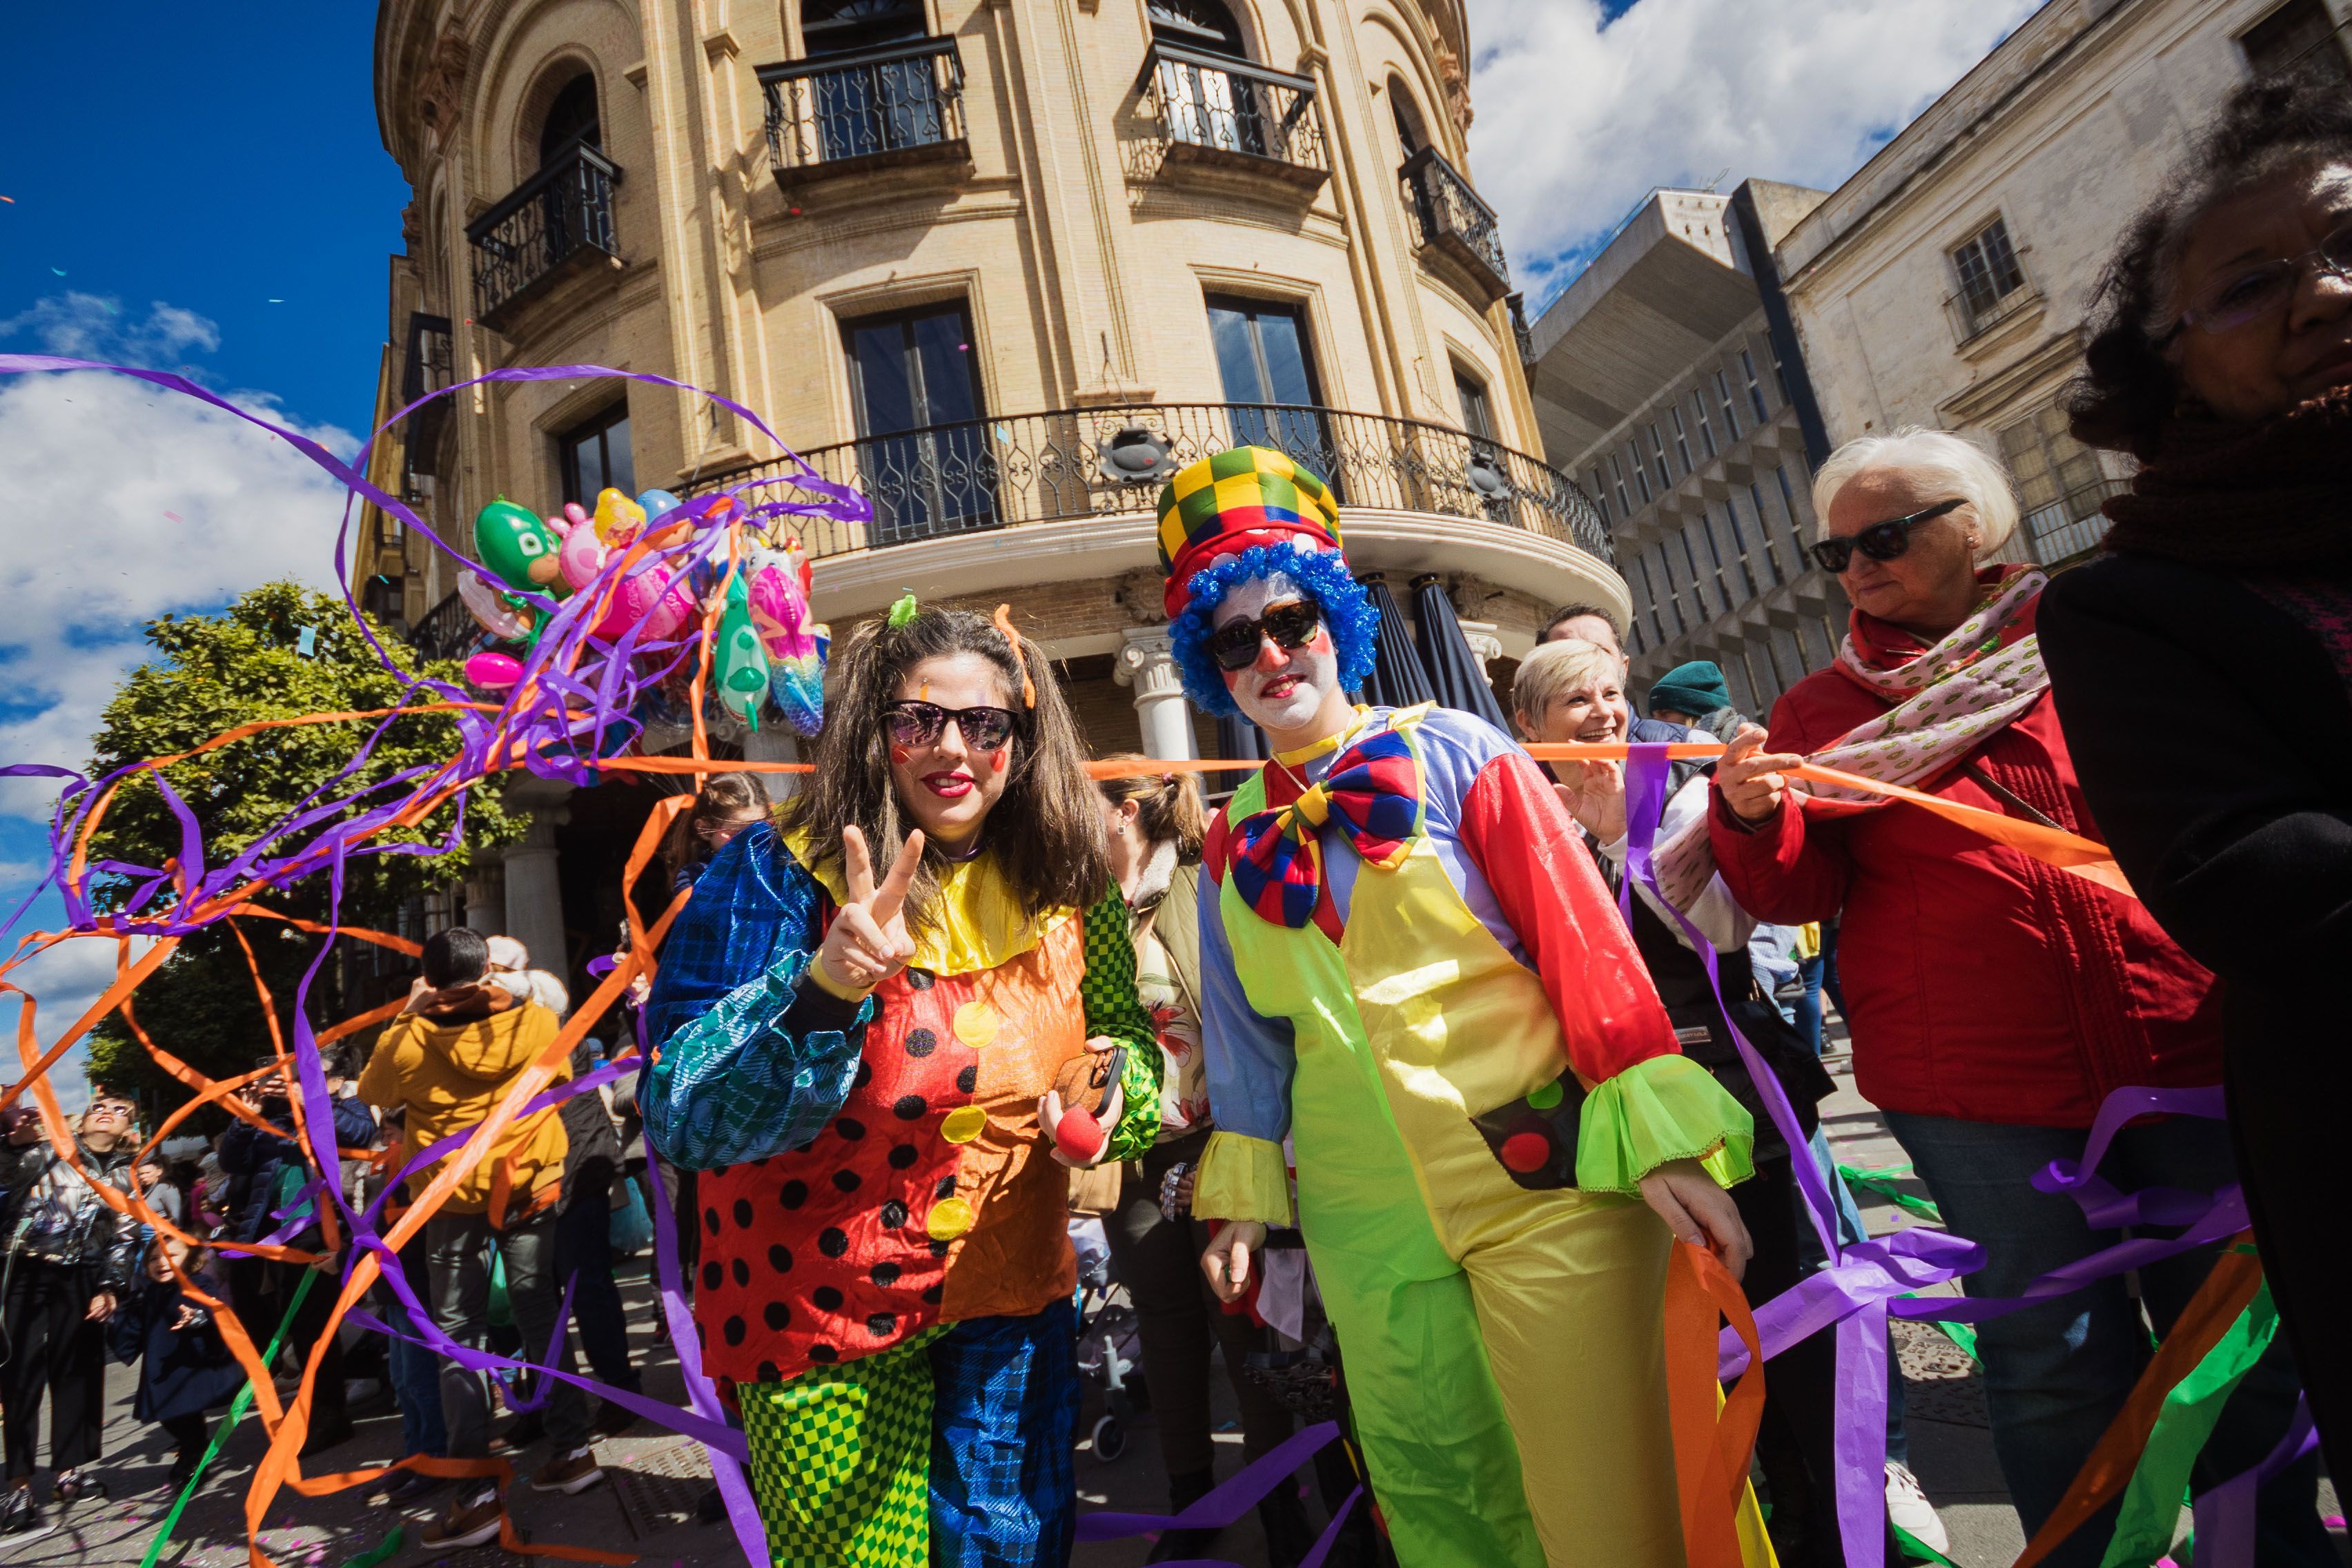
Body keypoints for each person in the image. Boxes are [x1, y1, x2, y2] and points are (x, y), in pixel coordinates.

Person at [1697, 427, 2331, 1567]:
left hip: (2185, 1042)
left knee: (2232, 1345)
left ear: (1974, 525)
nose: (1855, 569)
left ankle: (2273, 1551)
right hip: (1975, 1091)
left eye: (1881, 538)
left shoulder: (2105, 637)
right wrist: (1746, 817)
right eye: (1831, 552)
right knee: (2050, 1360)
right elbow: (1794, 888)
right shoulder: (1819, 707)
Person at [1162, 448, 1756, 1568]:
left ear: (1335, 618)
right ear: (1210, 665)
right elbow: (1243, 1040)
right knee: (1439, 1502)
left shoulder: (1454, 749)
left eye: (1289, 618)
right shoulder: (1228, 834)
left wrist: (1661, 1140)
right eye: (1235, 638)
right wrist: (1241, 1200)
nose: (1271, 654)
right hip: (1358, 1214)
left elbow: (1587, 946)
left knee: (1611, 1503)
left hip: (1540, 1173)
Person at [642, 603, 1163, 1568]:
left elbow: (1120, 1034)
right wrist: (825, 988)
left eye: (985, 724)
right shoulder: (773, 875)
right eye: (917, 721)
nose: (951, 749)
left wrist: (1112, 1093)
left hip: (1009, 1300)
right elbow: (684, 1117)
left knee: (1010, 1550)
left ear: (1023, 739)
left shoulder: (1067, 878)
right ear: (874, 735)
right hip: (819, 1313)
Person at [2037, 72, 2352, 1491]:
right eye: (2256, 284)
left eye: (2349, 246)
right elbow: (2243, 871)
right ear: (2168, 367)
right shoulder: (2132, 606)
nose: (2329, 296)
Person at [1511, 637, 1850, 1566]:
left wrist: (1624, 834)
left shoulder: (1683, 797)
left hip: (1735, 1099)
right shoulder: (1523, 829)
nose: (1606, 714)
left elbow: (1727, 927)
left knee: (1781, 1329)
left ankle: (1822, 1533)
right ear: (1528, 729)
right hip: (1618, 1126)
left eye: (1613, 695)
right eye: (1576, 701)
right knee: (1673, 1354)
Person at [1093, 761, 1311, 1565]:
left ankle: (1280, 1504)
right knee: (1167, 1328)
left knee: (1240, 1325)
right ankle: (1193, 1507)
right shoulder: (1082, 906)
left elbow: (1243, 1007)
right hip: (1135, 1155)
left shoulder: (1193, 885)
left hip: (1223, 1140)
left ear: (1121, 812)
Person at [358, 927, 596, 1551]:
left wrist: (411, 1011)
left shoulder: (409, 1039)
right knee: (539, 1307)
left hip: (455, 1198)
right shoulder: (538, 1020)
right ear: (485, 975)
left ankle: (477, 1491)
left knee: (457, 1330)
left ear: (429, 980)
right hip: (530, 1184)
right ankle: (573, 1450)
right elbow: (563, 1072)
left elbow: (373, 1094)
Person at [217, 1052, 378, 1456]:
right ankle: (299, 1409)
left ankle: (330, 1415)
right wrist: (244, 1117)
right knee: (265, 1329)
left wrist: (307, 1100)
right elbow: (232, 1161)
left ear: (334, 1079)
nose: (278, 1082)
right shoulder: (266, 1117)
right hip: (263, 1236)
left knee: (313, 1330)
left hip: (321, 1234)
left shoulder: (346, 1105)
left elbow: (359, 1134)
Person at [0, 1092, 139, 1536]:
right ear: (80, 1122)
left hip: (81, 1278)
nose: (107, 1112)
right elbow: (6, 1178)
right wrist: (12, 1144)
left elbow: (126, 1235)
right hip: (24, 1270)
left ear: (126, 1133)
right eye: (101, 1106)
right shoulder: (48, 1150)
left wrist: (110, 1285)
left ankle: (69, 1473)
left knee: (78, 1374)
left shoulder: (123, 1176)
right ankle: (18, 1485)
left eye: (121, 1111)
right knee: (20, 1375)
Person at [109, 1235, 244, 1497]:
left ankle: (194, 1454)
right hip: (164, 1368)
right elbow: (134, 1330)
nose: (161, 1263)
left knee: (187, 1413)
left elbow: (214, 1312)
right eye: (153, 1258)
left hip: (191, 1364)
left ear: (192, 1260)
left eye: (172, 1256)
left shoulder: (199, 1284)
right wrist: (116, 1318)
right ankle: (191, 1445)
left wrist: (196, 1317)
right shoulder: (149, 1293)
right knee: (169, 1416)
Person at [1538, 604, 1694, 747]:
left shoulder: (1688, 749)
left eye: (1600, 652)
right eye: (1568, 658)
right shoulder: (1526, 769)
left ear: (1624, 668)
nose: (1586, 665)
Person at [662, 770, 771, 892]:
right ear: (704, 829)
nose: (750, 842)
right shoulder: (694, 876)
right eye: (736, 834)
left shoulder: (773, 864)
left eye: (760, 831)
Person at [1646, 658, 1747, 741]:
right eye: (1654, 717)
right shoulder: (1668, 756)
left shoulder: (1750, 743)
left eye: (1665, 714)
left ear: (1695, 715)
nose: (1655, 724)